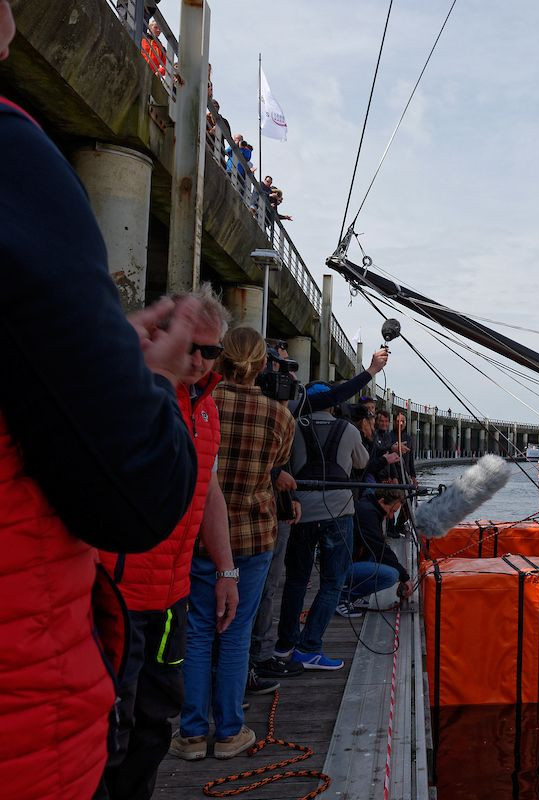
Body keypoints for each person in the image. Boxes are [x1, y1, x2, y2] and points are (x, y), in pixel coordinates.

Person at [1, 18, 199, 793]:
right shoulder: (13, 162)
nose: (15, 27)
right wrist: (151, 378)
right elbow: (137, 488)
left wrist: (104, 345)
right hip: (24, 723)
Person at [96, 284, 238, 800]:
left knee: (155, 725)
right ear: (164, 336)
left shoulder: (208, 408)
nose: (199, 361)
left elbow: (210, 489)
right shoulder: (133, 390)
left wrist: (225, 571)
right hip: (115, 596)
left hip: (171, 596)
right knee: (111, 729)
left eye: (211, 351)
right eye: (191, 347)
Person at [171, 327, 297, 762]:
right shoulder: (281, 415)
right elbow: (276, 465)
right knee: (237, 631)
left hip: (201, 537)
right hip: (255, 535)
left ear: (221, 360)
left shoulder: (204, 402)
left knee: (200, 627)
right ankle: (228, 731)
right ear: (263, 365)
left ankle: (190, 733)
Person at [275, 385, 369, 670]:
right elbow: (362, 461)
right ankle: (310, 645)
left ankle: (284, 645)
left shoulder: (292, 424)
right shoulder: (348, 429)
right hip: (338, 512)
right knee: (332, 582)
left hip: (300, 510)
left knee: (295, 580)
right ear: (334, 406)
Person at [337, 488, 411, 618]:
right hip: (341, 565)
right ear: (382, 501)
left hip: (350, 559)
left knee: (389, 566)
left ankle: (350, 594)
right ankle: (343, 597)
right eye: (392, 510)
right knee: (391, 575)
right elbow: (379, 548)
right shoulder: (368, 513)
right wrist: (403, 575)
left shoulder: (368, 507)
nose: (391, 516)